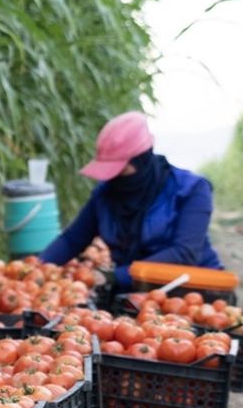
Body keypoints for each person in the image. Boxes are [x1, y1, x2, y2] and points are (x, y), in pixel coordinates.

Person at [39, 111, 222, 290]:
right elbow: (72, 240)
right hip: (137, 290)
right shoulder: (106, 194)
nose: (115, 177)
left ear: (141, 160)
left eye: (121, 170)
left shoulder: (191, 190)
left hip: (194, 290)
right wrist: (37, 268)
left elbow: (184, 253)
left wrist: (116, 276)